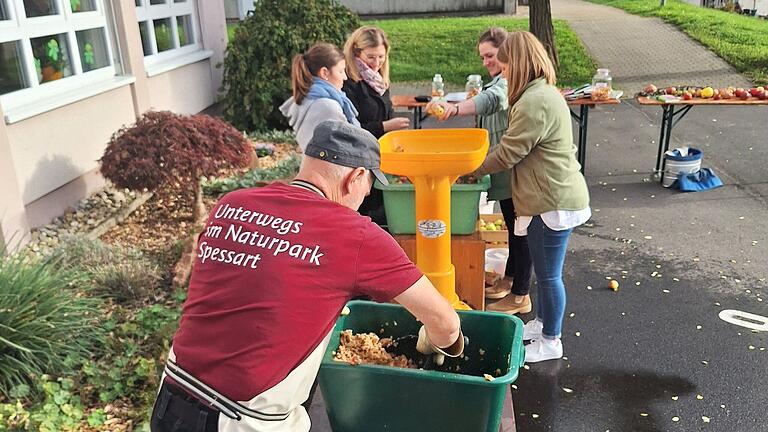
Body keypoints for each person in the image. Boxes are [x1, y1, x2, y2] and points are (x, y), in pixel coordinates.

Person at [150, 120, 464, 432]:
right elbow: (446, 323)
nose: (360, 204)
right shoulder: (354, 235)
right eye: (365, 192)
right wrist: (435, 344)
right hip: (241, 419)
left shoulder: (231, 204)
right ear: (354, 178)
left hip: (171, 396)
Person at [473, 31, 591, 363]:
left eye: (505, 64)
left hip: (550, 200)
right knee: (544, 270)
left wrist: (473, 169)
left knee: (550, 275)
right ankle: (541, 324)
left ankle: (552, 340)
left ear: (518, 63)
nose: (503, 71)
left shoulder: (533, 101)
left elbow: (510, 152)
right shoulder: (539, 93)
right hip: (550, 195)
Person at [426, 27, 533, 315]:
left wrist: (454, 110)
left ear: (506, 52)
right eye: (483, 57)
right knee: (512, 227)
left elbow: (493, 100)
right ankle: (511, 280)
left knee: (521, 232)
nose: (485, 61)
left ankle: (521, 294)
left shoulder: (508, 83)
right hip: (502, 168)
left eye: (490, 55)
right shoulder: (500, 79)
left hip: (512, 169)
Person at [342, 26, 410, 225]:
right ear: (356, 52)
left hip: (384, 159)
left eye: (381, 57)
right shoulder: (348, 83)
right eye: (371, 57)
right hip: (359, 162)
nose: (376, 63)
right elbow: (349, 129)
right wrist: (385, 126)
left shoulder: (379, 80)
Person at [280, 43, 360, 151]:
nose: (345, 77)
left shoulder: (307, 98)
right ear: (324, 73)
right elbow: (351, 147)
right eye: (341, 71)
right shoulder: (327, 107)